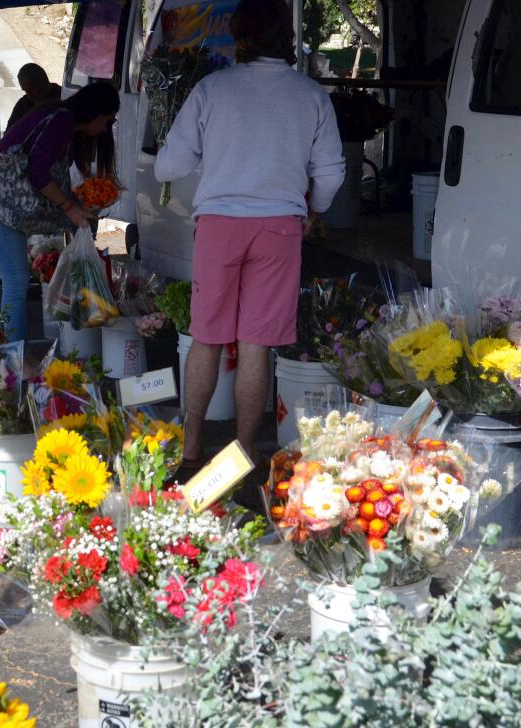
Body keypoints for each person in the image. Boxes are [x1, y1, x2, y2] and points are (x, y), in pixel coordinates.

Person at [154, 0, 345, 467]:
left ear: (240, 38)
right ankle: (243, 453)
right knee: (257, 345)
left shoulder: (212, 88)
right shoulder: (311, 95)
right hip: (281, 227)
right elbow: (333, 173)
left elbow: (169, 165)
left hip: (219, 226)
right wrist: (313, 209)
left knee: (206, 338)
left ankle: (192, 449)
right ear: (287, 39)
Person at [0, 82, 120, 343]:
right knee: (15, 280)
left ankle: (10, 352)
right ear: (95, 112)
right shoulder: (62, 121)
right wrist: (70, 207)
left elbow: (47, 175)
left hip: (0, 202)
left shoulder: (64, 122)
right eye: (108, 119)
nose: (106, 127)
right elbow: (38, 172)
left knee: (17, 280)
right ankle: (12, 357)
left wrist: (77, 205)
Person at [6, 63, 63, 131]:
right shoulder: (23, 104)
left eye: (31, 89)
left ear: (44, 82)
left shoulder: (65, 96)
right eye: (26, 91)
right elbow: (9, 135)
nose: (29, 95)